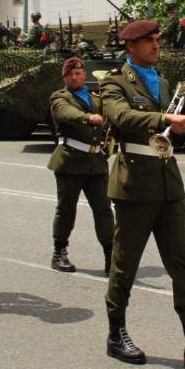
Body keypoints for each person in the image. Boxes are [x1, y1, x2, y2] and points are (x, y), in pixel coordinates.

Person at [99, 19, 185, 369]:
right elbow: (122, 116)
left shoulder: (161, 81)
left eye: (157, 39)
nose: (156, 45)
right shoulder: (114, 81)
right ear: (130, 46)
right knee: (125, 265)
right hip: (134, 185)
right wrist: (164, 120)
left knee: (184, 266)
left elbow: (167, 132)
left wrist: (181, 128)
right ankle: (116, 333)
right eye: (148, 41)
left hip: (168, 183)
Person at [47, 57, 114, 273]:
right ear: (64, 78)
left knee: (104, 210)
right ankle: (59, 253)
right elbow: (65, 113)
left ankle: (111, 255)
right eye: (70, 75)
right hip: (70, 161)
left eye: (78, 73)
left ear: (85, 75)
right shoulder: (60, 97)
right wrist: (88, 118)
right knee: (66, 210)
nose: (74, 77)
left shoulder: (96, 99)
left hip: (96, 163)